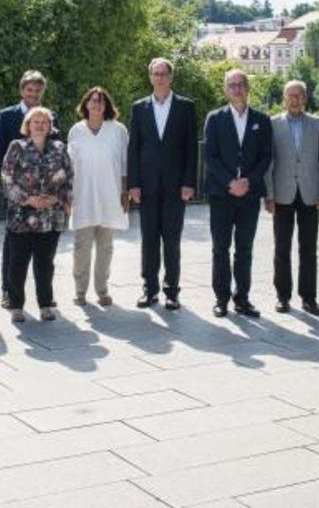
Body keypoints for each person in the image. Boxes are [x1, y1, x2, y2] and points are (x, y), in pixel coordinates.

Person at [127, 58, 198, 310]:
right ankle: (149, 289)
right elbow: (133, 148)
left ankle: (171, 291)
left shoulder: (186, 107)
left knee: (172, 239)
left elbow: (191, 149)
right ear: (150, 77)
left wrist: (189, 182)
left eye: (164, 74)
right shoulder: (139, 108)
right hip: (146, 186)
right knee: (148, 239)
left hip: (176, 186)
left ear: (171, 77)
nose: (160, 78)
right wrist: (133, 184)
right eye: (155, 74)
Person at [202, 68, 272, 318]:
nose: (237, 89)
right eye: (232, 85)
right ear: (225, 90)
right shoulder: (215, 118)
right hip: (222, 194)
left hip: (250, 195)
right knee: (220, 248)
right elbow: (210, 155)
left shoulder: (262, 120)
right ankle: (221, 299)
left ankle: (242, 298)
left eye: (241, 84)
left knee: (244, 248)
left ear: (248, 88)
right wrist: (230, 182)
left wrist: (249, 182)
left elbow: (266, 157)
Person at [0, 107, 73, 322]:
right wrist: (28, 199)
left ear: (50, 126)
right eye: (36, 122)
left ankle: (45, 304)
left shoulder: (59, 148)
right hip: (21, 216)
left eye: (44, 122)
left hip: (51, 216)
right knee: (18, 261)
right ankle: (16, 306)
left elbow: (69, 178)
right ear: (28, 125)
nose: (40, 125)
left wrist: (57, 199)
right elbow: (6, 178)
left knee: (45, 262)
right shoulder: (17, 147)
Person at [0, 70, 58, 309]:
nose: (33, 94)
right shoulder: (7, 116)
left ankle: (44, 294)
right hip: (17, 196)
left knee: (44, 249)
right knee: (13, 246)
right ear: (22, 91)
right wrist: (20, 189)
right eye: (29, 90)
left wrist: (48, 193)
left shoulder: (50, 117)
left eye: (38, 90)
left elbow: (57, 154)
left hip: (45, 198)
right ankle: (8, 292)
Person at [264, 80, 319, 315]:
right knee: (281, 248)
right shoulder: (272, 124)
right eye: (290, 96)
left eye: (299, 95)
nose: (294, 100)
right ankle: (283, 296)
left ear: (305, 98)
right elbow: (268, 163)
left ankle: (309, 297)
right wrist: (269, 194)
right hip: (282, 194)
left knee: (309, 249)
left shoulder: (317, 125)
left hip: (310, 195)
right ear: (284, 98)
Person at [67, 87, 129, 306]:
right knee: (81, 246)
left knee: (106, 247)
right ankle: (80, 291)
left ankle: (102, 290)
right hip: (82, 195)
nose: (97, 104)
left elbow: (124, 163)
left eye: (101, 101)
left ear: (107, 106)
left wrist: (125, 192)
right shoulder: (76, 130)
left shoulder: (118, 130)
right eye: (93, 100)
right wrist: (68, 195)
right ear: (85, 104)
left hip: (110, 195)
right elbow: (69, 165)